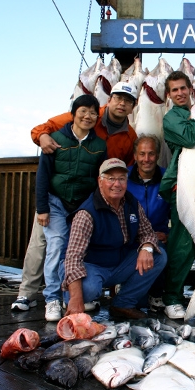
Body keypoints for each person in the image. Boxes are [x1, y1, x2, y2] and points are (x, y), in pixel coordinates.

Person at [11, 82, 139, 314]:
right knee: (44, 244)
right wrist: (42, 138)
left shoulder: (130, 135)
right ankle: (27, 294)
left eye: (128, 101)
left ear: (133, 106)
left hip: (86, 200)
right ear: (109, 100)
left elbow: (126, 166)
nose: (122, 103)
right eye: (118, 98)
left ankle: (65, 295)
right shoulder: (88, 112)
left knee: (74, 247)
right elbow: (44, 128)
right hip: (56, 197)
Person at [60, 158, 167, 320]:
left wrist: (146, 247)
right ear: (100, 181)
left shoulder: (131, 203)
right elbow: (73, 258)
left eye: (121, 179)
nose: (117, 184)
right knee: (87, 290)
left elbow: (148, 232)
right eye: (111, 179)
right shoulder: (86, 214)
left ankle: (123, 303)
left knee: (159, 256)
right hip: (93, 267)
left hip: (119, 265)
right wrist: (76, 298)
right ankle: (71, 300)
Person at [34, 94, 107, 321]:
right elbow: (43, 176)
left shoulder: (99, 145)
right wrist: (42, 208)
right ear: (73, 114)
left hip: (81, 205)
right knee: (56, 246)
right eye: (83, 111)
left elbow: (99, 178)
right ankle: (52, 299)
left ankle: (70, 297)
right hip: (56, 202)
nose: (88, 116)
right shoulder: (55, 139)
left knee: (75, 251)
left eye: (93, 112)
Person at [159, 71, 195, 320]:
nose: (179, 93)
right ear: (169, 94)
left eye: (182, 88)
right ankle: (172, 297)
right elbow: (189, 136)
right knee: (182, 242)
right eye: (174, 90)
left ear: (190, 89)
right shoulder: (171, 119)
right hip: (184, 185)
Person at [126, 134, 170, 310]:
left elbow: (179, 211)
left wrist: (168, 233)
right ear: (135, 156)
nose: (146, 159)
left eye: (151, 154)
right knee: (137, 303)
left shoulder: (167, 178)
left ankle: (157, 293)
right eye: (142, 154)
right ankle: (127, 289)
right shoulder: (124, 178)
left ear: (157, 155)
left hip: (158, 237)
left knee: (164, 252)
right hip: (129, 238)